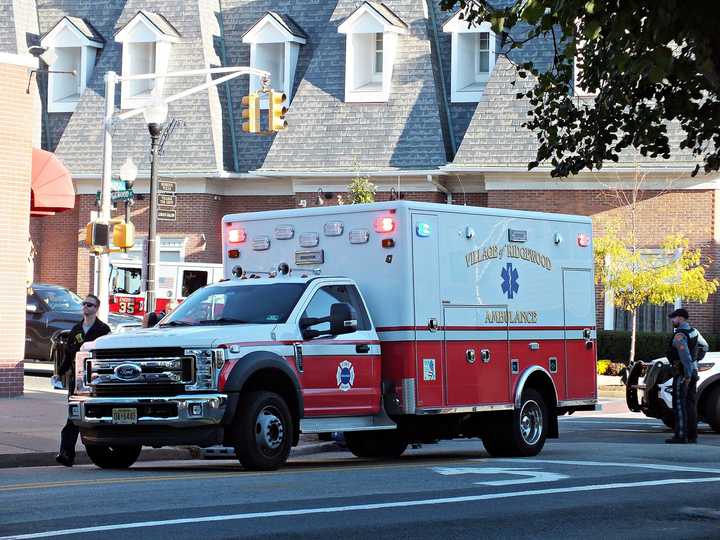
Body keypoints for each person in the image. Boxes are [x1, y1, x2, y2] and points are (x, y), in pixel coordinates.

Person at [55, 294, 111, 466]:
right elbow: (68, 355)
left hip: (96, 381)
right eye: (84, 304)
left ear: (96, 309)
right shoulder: (76, 330)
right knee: (73, 416)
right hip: (77, 381)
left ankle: (105, 450)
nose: (86, 307)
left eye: (90, 305)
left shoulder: (103, 330)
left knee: (96, 415)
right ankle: (66, 454)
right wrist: (59, 373)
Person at [666, 308, 700, 444]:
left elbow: (684, 355)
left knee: (679, 404)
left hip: (683, 374)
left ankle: (681, 436)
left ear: (680, 318)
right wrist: (694, 362)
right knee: (690, 405)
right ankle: (692, 435)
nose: (672, 321)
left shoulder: (680, 335)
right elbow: (704, 346)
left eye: (673, 318)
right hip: (693, 371)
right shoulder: (694, 332)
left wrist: (687, 374)